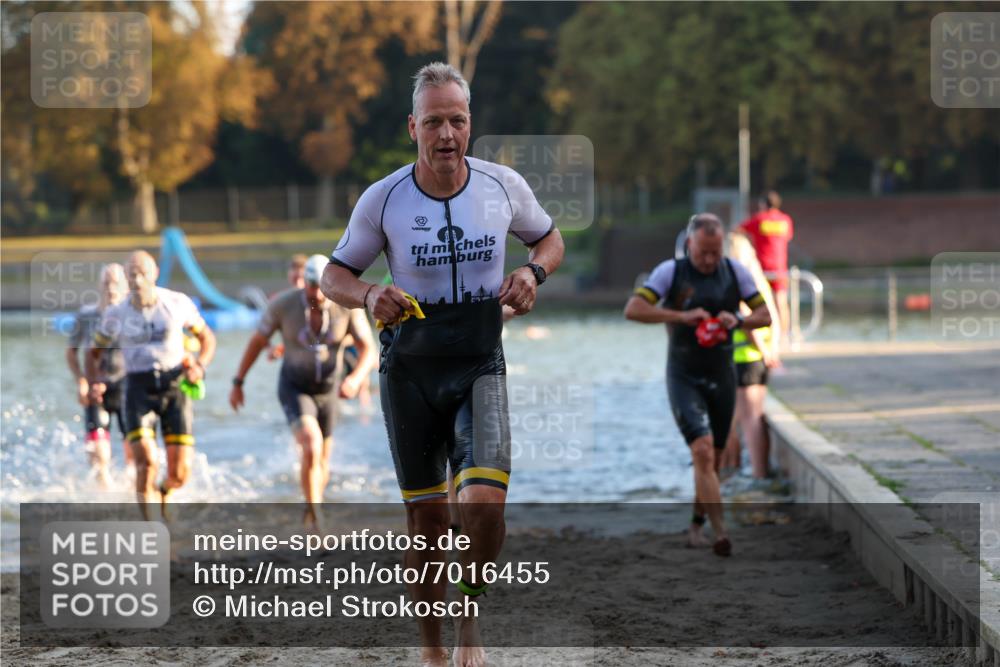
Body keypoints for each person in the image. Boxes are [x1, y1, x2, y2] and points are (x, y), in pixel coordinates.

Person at [321, 62, 564, 667]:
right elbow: (334, 275)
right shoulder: (384, 199)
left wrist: (533, 273)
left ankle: (469, 616)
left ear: (470, 124)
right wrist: (369, 295)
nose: (447, 134)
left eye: (456, 120)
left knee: (484, 506)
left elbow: (550, 238)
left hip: (480, 363)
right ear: (413, 127)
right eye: (434, 122)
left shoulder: (502, 186)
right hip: (411, 372)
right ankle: (434, 653)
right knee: (428, 526)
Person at [624, 213, 769, 557]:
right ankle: (721, 533)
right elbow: (633, 309)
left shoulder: (736, 272)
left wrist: (740, 320)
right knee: (701, 450)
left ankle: (695, 526)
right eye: (703, 252)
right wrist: (680, 316)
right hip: (683, 373)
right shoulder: (669, 272)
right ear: (690, 245)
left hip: (722, 373)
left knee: (715, 461)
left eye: (715, 253)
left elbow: (766, 317)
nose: (709, 260)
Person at [229, 254, 376, 529]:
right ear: (304, 283)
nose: (317, 293)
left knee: (323, 462)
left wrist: (356, 378)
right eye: (311, 285)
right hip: (294, 387)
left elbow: (368, 347)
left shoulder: (347, 306)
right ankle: (315, 516)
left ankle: (312, 504)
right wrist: (238, 382)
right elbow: (257, 341)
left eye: (322, 286)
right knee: (311, 443)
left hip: (329, 390)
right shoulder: (283, 305)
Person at [88, 251, 216, 518]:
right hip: (137, 388)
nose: (137, 279)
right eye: (131, 273)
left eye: (142, 272)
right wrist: (94, 381)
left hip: (174, 386)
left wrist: (200, 366)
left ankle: (164, 491)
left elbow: (207, 339)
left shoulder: (176, 303)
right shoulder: (116, 314)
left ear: (154, 272)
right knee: (146, 462)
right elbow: (92, 352)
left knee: (179, 473)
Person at [720, 232, 781, 480]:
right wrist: (772, 348)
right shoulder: (759, 281)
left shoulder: (738, 282)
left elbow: (746, 319)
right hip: (758, 355)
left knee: (749, 419)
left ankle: (756, 474)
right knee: (745, 416)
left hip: (746, 356)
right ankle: (740, 470)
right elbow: (774, 318)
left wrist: (764, 350)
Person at [66, 263, 129, 488]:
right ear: (100, 286)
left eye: (117, 283)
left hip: (126, 388)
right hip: (95, 390)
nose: (112, 288)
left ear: (125, 287)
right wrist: (82, 381)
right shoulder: (86, 315)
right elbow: (71, 353)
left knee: (135, 454)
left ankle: (135, 500)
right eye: (107, 283)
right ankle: (104, 500)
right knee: (99, 457)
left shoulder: (132, 315)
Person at [738, 191, 794, 341]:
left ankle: (763, 337)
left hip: (762, 269)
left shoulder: (759, 219)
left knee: (759, 304)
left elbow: (739, 231)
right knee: (781, 302)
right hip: (780, 268)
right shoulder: (785, 220)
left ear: (763, 204)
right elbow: (788, 237)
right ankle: (784, 336)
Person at [267, 254, 308, 361]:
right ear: (289, 276)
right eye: (296, 279)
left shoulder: (318, 299)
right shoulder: (280, 301)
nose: (299, 285)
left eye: (302, 279)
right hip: (292, 364)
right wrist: (271, 348)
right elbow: (261, 333)